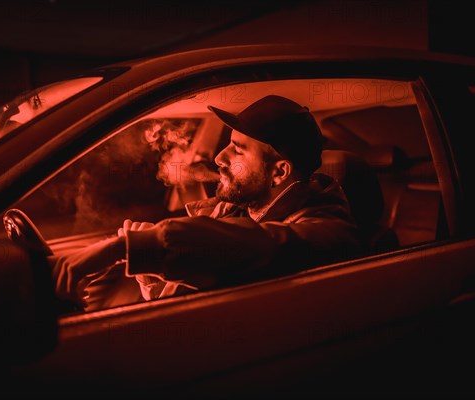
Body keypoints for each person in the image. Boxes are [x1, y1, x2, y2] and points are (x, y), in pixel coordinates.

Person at [50, 95, 361, 305]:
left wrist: (128, 246)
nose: (219, 157)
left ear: (279, 172)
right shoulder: (235, 212)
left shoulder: (328, 231)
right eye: (228, 144)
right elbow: (189, 302)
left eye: (238, 150)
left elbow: (265, 245)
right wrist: (152, 276)